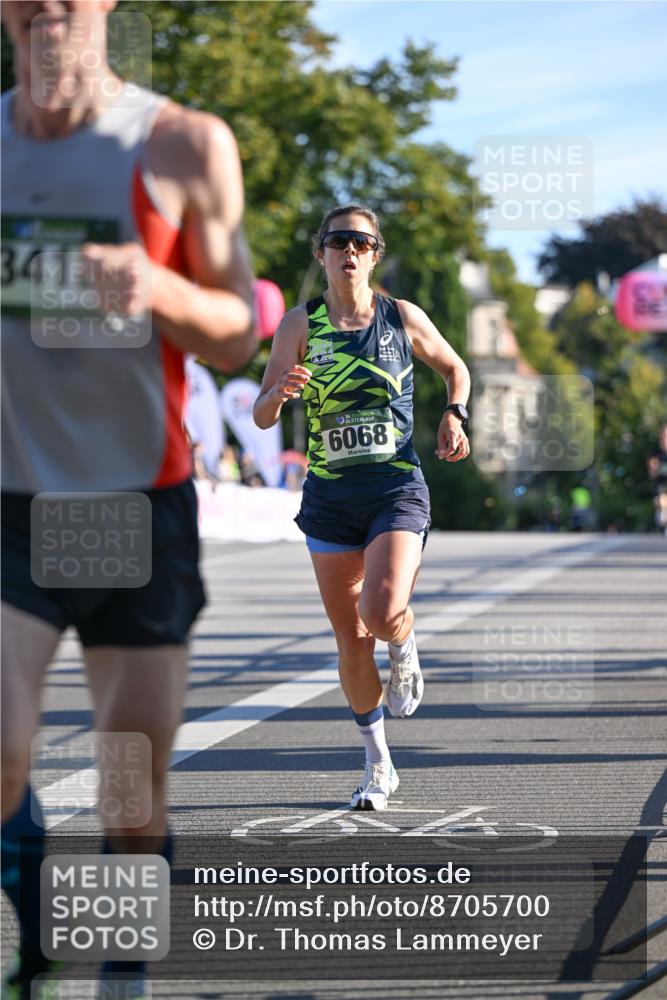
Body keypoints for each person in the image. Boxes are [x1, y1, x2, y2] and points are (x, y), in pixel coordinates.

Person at [1, 2, 256, 996]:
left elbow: (238, 331)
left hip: (133, 506)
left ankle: (122, 975)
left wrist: (157, 287)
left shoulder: (183, 142)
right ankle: (38, 921)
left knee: (131, 796)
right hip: (10, 503)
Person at [253, 204, 470, 811]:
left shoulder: (401, 317)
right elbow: (262, 414)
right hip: (328, 500)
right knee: (351, 642)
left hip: (394, 488)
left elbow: (455, 368)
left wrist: (455, 413)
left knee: (379, 610)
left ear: (375, 254)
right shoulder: (299, 324)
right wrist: (277, 393)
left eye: (361, 242)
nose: (349, 250)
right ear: (320, 253)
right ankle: (379, 764)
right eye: (337, 241)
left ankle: (404, 644)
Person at [647, 423, 667, 535]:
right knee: (661, 501)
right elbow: (652, 474)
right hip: (661, 486)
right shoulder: (656, 453)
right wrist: (654, 468)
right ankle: (663, 523)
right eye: (663, 435)